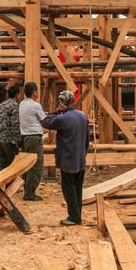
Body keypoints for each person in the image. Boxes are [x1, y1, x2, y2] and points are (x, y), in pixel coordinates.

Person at [40, 90, 90, 226]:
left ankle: (73, 218)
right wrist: (83, 154)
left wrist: (56, 111)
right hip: (80, 159)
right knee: (78, 188)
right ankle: (77, 215)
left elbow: (45, 121)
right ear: (73, 101)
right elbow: (87, 139)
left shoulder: (63, 118)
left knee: (68, 188)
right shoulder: (82, 116)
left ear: (62, 103)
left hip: (68, 160)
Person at [18, 81, 47, 201]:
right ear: (34, 92)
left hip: (24, 137)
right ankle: (30, 193)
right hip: (34, 137)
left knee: (26, 165)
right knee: (36, 165)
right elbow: (45, 121)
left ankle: (26, 189)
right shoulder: (35, 105)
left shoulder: (22, 104)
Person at [0, 84, 21, 173]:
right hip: (7, 140)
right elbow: (15, 124)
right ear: (17, 95)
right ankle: (5, 185)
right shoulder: (14, 106)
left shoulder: (1, 105)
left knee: (2, 163)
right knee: (10, 164)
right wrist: (17, 142)